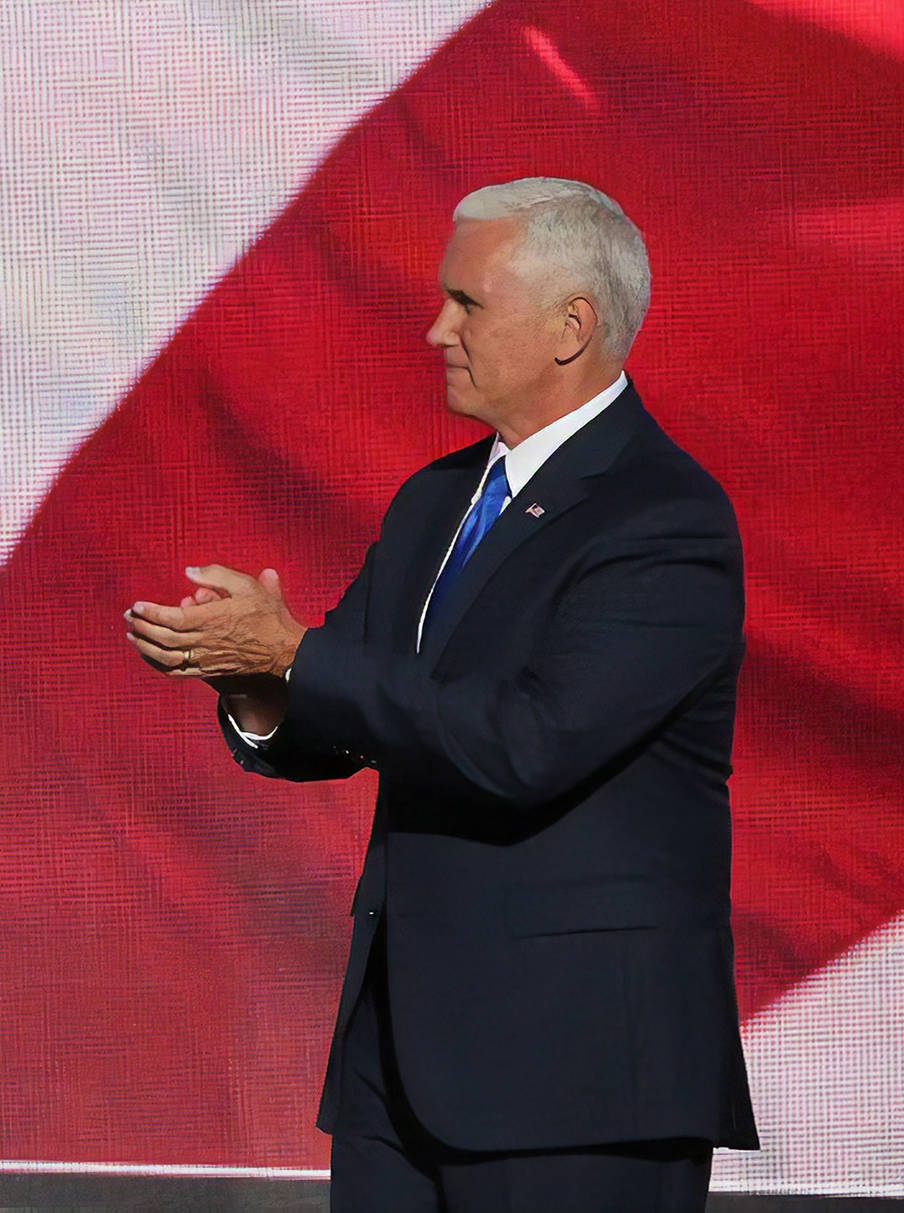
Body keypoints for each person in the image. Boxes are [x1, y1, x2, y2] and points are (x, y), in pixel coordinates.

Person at [125, 178, 756, 1211]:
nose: (434, 329)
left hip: (575, 1083)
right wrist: (257, 683)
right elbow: (345, 715)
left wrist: (299, 657)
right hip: (397, 1066)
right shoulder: (436, 500)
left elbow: (527, 742)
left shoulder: (661, 521)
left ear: (570, 327)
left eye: (467, 302)